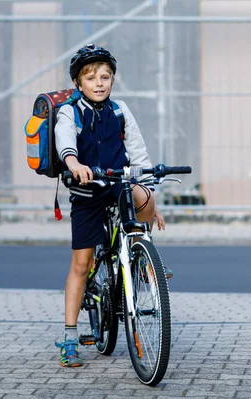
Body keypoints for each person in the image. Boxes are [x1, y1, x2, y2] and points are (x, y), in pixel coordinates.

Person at [53, 44, 166, 367]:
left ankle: (142, 257)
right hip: (87, 192)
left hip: (119, 185)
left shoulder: (119, 111)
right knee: (80, 264)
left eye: (105, 77)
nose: (99, 83)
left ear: (113, 80)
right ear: (78, 83)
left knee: (144, 195)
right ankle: (70, 337)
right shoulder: (70, 112)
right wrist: (73, 163)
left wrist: (147, 188)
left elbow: (138, 152)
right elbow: (65, 141)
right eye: (91, 78)